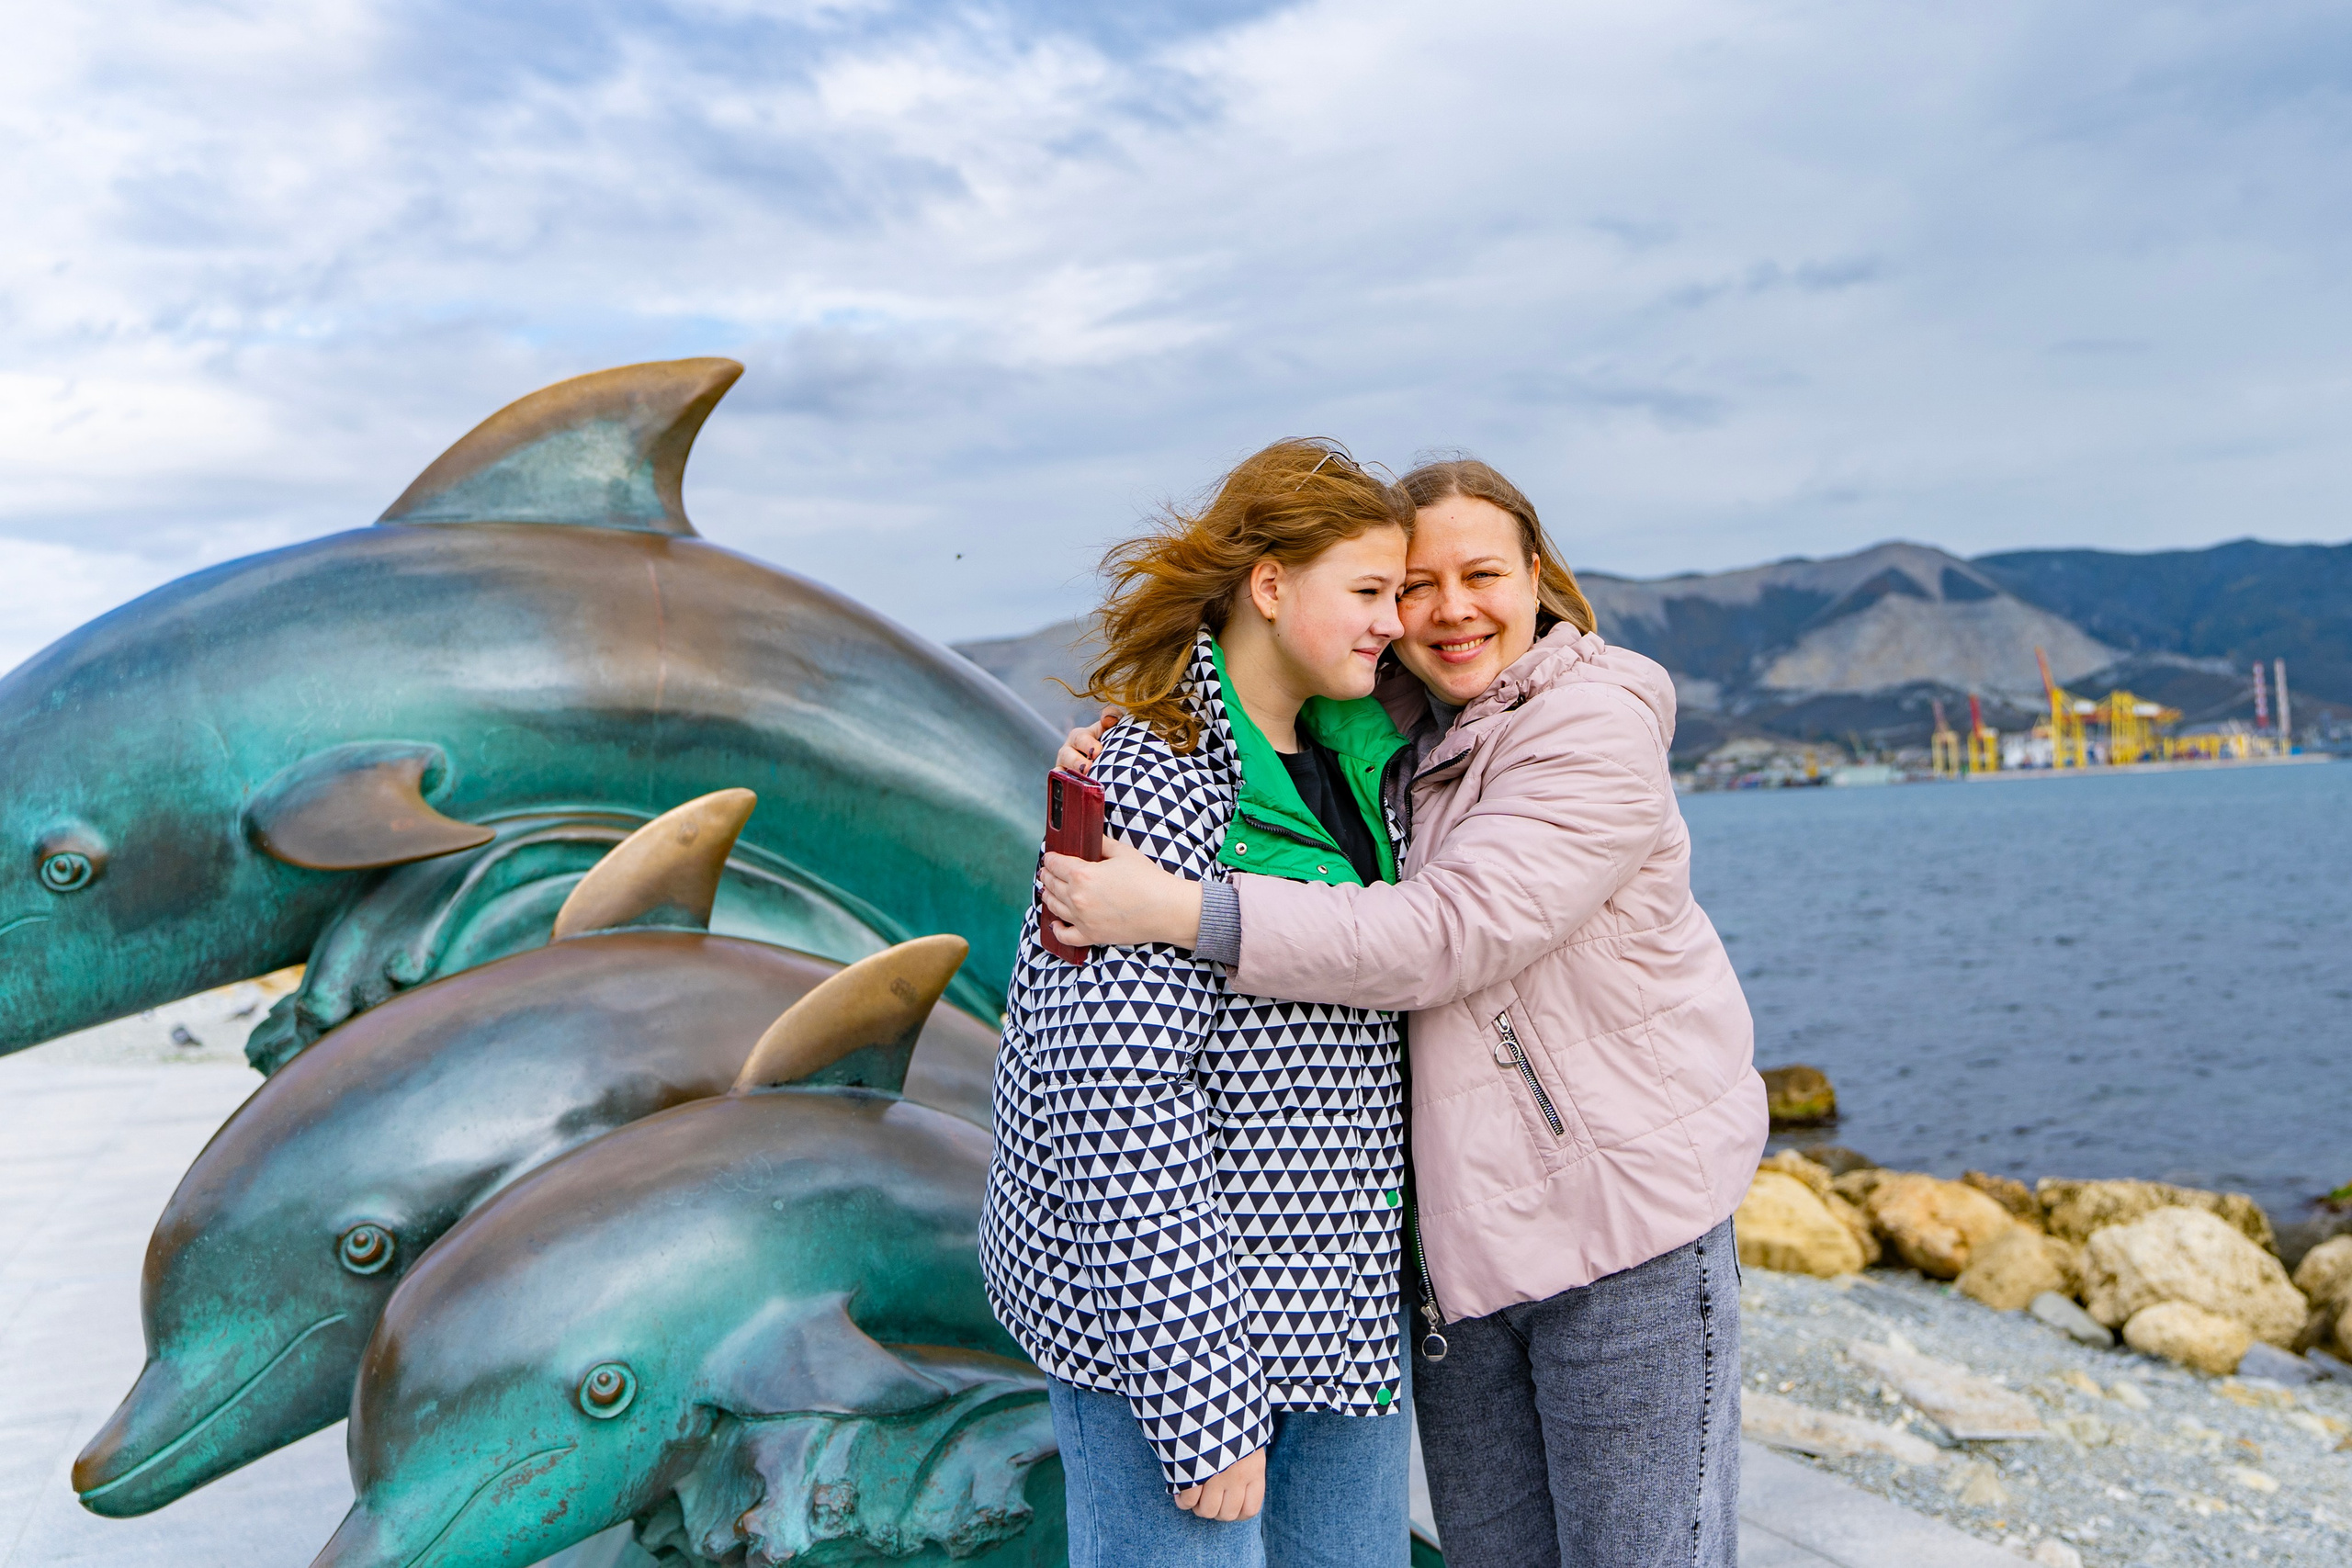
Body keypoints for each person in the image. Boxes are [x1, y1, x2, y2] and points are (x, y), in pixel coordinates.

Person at [1040, 457, 1768, 1568]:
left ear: (1537, 576)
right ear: (1279, 586)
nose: (1429, 613)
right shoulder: (1384, 736)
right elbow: (1111, 1092)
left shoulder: (1584, 728)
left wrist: (1191, 911)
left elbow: (1442, 936)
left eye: (1475, 574)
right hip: (1441, 1265)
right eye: (1397, 587)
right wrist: (1132, 736)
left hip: (1613, 1233)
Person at [978, 438, 1421, 1568]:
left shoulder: (1373, 763)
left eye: (1396, 595)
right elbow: (1112, 1095)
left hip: (1340, 1309)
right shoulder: (1148, 776)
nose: (1392, 622)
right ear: (1269, 588)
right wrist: (1202, 1402)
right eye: (1367, 592)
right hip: (1175, 1339)